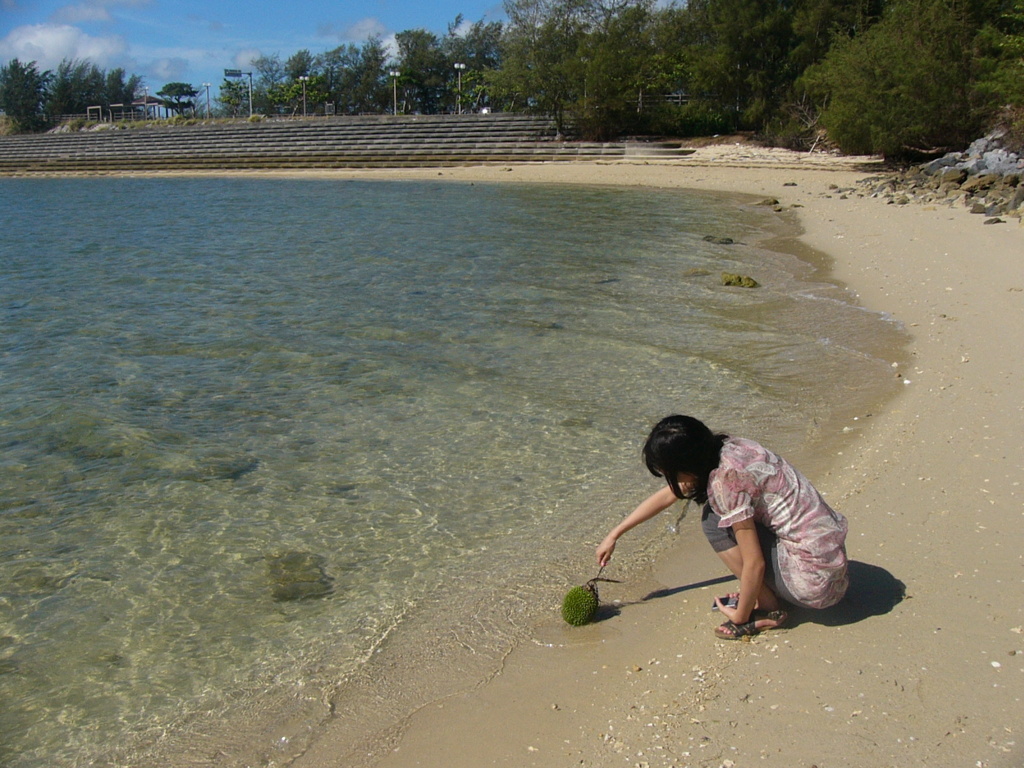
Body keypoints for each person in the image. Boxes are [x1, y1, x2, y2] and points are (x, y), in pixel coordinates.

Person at [596, 415, 848, 639]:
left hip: (812, 585)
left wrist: (740, 615)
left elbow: (755, 562)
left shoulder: (725, 483)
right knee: (721, 515)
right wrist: (615, 533)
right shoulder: (733, 448)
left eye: (669, 473)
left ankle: (768, 606)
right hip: (830, 564)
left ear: (685, 468)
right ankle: (764, 592)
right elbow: (670, 495)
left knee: (712, 521)